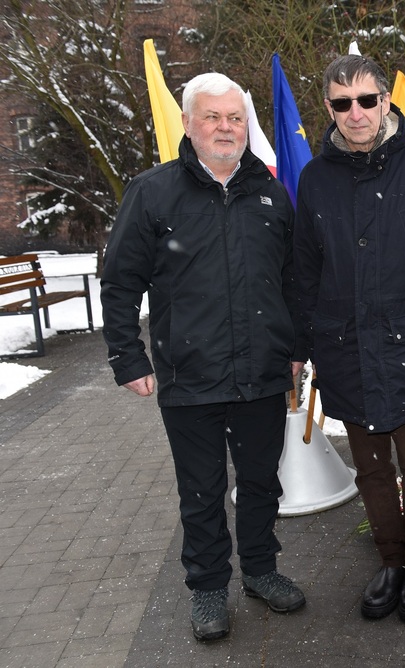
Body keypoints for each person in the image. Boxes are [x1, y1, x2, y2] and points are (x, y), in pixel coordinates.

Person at [101, 72, 306, 642]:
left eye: (234, 117)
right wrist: (128, 358)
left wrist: (295, 348)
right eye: (212, 117)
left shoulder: (270, 192)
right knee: (201, 489)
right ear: (188, 124)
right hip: (189, 373)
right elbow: (119, 283)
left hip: (264, 373)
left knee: (263, 483)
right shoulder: (153, 191)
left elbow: (294, 279)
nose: (224, 127)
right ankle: (209, 587)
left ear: (246, 126)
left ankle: (261, 571)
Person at [294, 54, 405, 623]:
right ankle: (390, 560)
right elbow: (304, 270)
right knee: (369, 464)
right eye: (342, 103)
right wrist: (299, 350)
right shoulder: (315, 177)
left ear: (385, 103)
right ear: (328, 108)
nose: (356, 113)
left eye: (367, 100)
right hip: (344, 347)